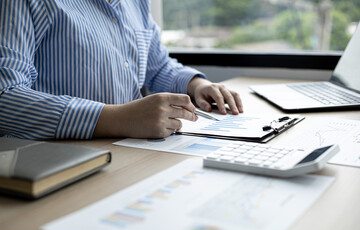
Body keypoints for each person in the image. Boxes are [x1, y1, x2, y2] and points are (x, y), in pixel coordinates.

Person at [0, 0, 242, 140]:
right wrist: (116, 119)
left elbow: (156, 67)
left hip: (133, 153)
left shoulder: (135, 3)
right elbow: (5, 96)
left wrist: (196, 85)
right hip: (62, 160)